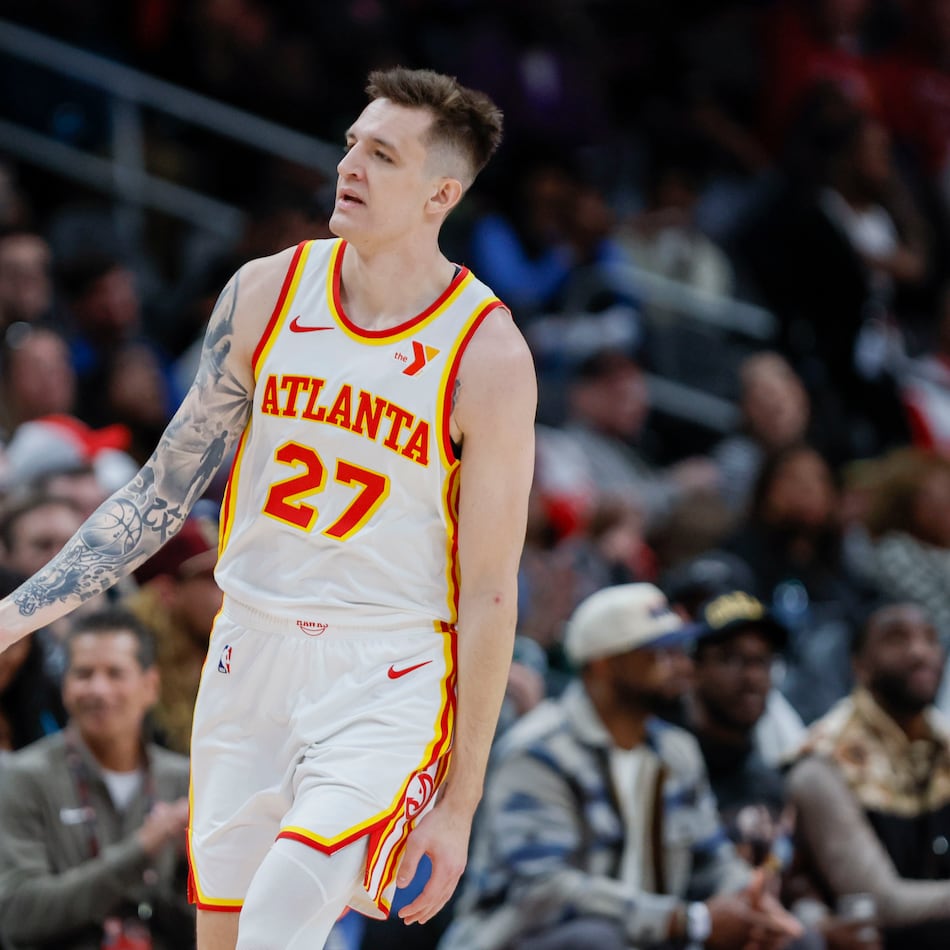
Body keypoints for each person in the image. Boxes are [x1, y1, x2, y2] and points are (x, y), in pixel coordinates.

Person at [0, 67, 536, 950]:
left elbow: (488, 589)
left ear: (441, 192)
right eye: (352, 144)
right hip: (247, 651)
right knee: (227, 936)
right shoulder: (264, 294)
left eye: (382, 156)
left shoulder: (488, 354)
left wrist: (460, 802)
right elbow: (158, 496)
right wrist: (13, 618)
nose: (349, 167)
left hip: (386, 671)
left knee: (285, 907)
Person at [440, 582, 803, 950]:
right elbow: (543, 892)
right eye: (659, 652)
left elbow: (711, 859)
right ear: (604, 663)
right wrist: (689, 921)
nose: (679, 664)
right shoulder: (539, 751)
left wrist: (751, 902)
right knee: (597, 940)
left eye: (679, 650)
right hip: (524, 940)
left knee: (794, 939)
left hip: (650, 936)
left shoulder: (677, 750)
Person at [0, 608, 193, 949]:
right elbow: (17, 916)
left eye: (115, 673)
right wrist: (143, 847)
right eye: (84, 674)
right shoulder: (21, 777)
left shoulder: (185, 780)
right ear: (65, 686)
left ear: (150, 686)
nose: (98, 689)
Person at [786, 601, 950, 947]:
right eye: (897, 639)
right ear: (860, 665)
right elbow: (881, 901)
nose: (920, 652)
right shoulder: (823, 760)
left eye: (930, 638)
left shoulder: (942, 740)